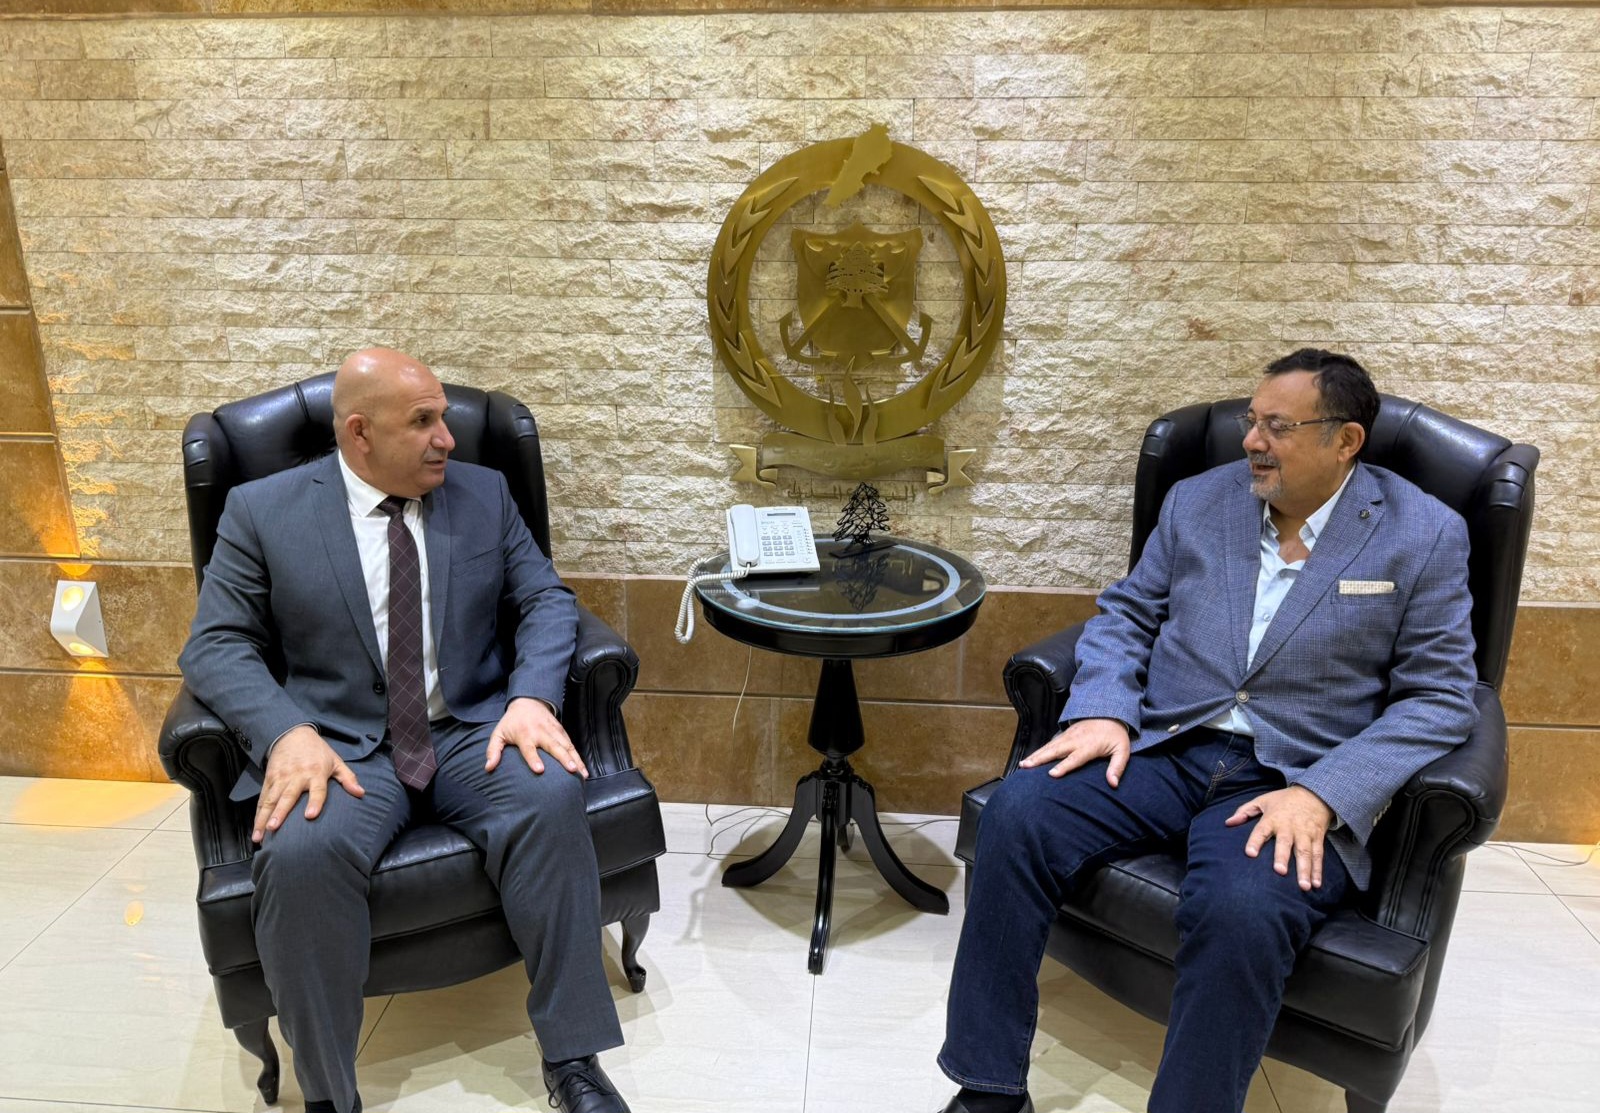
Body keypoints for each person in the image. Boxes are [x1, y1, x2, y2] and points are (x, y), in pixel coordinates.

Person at [934, 349, 1479, 1113]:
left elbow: (1442, 696)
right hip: (1163, 744)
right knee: (1019, 813)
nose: (1252, 439)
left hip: (1290, 779)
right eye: (1253, 420)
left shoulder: (1422, 533)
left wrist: (1325, 793)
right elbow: (1127, 614)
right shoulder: (1199, 499)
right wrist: (1103, 708)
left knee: (1241, 907)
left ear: (1345, 440)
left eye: (1278, 426)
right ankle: (988, 1089)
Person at [179, 348, 632, 1113]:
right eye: (423, 421)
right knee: (300, 853)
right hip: (339, 745)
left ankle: (574, 1059)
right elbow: (215, 644)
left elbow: (546, 600)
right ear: (359, 433)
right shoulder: (263, 511)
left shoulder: (482, 493)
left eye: (444, 418)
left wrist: (531, 696)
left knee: (551, 793)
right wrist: (285, 732)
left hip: (468, 728)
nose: (446, 438)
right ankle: (329, 1096)